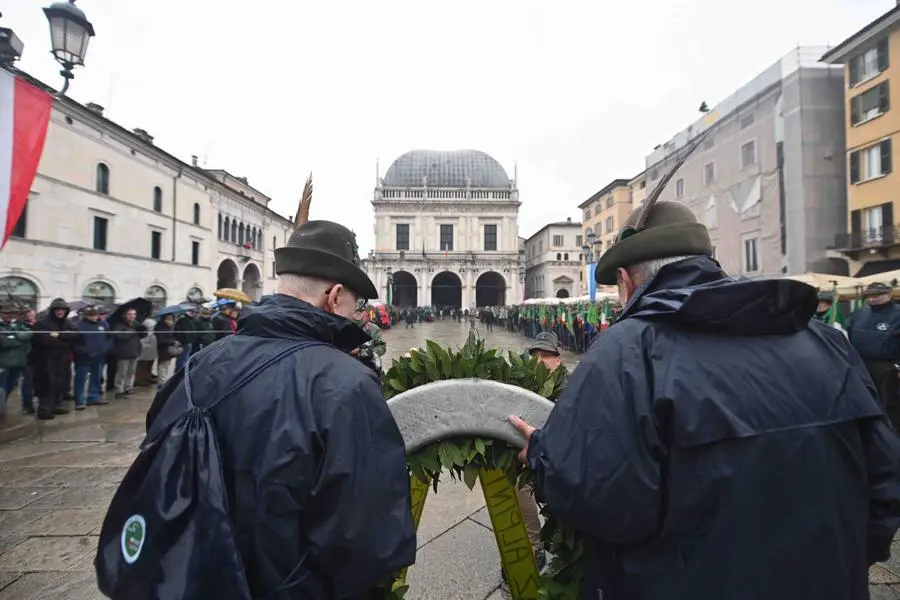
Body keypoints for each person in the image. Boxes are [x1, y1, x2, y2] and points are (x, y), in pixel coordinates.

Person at [509, 200, 900, 600]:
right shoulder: (828, 342)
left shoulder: (627, 352)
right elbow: (885, 486)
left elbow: (595, 498)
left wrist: (541, 454)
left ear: (626, 280)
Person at [145, 220, 416, 598]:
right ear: (335, 296)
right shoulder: (346, 383)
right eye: (357, 304)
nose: (358, 315)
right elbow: (368, 542)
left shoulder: (198, 366)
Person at [848, 282, 900, 427]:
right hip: (861, 365)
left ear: (889, 295)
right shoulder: (859, 313)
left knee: (889, 404)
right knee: (864, 401)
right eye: (869, 296)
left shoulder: (898, 314)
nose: (871, 299)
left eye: (876, 296)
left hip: (888, 368)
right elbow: (848, 335)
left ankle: (893, 436)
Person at [31, 298, 76, 419]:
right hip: (46, 359)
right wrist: (60, 340)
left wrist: (60, 335)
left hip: (62, 358)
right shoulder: (43, 323)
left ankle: (57, 405)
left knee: (61, 382)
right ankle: (44, 409)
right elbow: (40, 340)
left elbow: (75, 334)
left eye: (62, 310)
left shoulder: (68, 323)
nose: (60, 312)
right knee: (47, 383)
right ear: (53, 311)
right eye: (57, 309)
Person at [71, 305, 111, 409]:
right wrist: (84, 351)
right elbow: (75, 344)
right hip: (84, 358)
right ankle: (79, 400)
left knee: (96, 377)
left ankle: (93, 397)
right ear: (86, 315)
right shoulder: (78, 326)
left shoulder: (103, 324)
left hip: (99, 357)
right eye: (91, 315)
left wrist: (105, 348)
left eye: (95, 315)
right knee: (81, 379)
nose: (93, 317)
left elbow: (109, 337)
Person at [110, 308, 147, 399]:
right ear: (125, 315)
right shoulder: (119, 325)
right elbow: (120, 336)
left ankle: (128, 386)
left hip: (134, 351)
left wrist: (143, 331)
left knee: (131, 372)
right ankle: (119, 390)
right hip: (123, 352)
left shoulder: (136, 324)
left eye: (134, 314)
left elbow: (142, 335)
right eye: (130, 314)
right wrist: (133, 330)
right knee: (122, 373)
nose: (132, 316)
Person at [351, 301, 386, 375]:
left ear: (365, 312)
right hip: (350, 369)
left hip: (370, 369)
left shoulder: (373, 329)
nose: (358, 313)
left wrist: (366, 352)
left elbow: (382, 347)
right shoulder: (344, 326)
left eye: (361, 311)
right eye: (355, 311)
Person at [153, 314, 180, 390]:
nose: (170, 320)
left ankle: (163, 380)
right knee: (163, 366)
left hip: (168, 350)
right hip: (163, 349)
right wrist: (173, 342)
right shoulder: (159, 327)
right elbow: (161, 340)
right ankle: (162, 382)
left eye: (171, 319)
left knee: (166, 366)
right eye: (168, 319)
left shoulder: (169, 327)